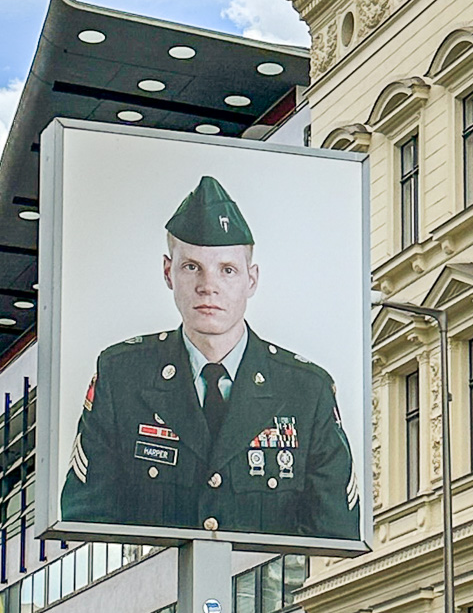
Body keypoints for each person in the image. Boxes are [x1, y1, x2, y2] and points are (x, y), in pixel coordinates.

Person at [59, 174, 360, 543]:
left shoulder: (305, 390)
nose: (208, 286)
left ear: (251, 280)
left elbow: (335, 533)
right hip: (156, 597)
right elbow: (86, 522)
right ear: (168, 272)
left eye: (227, 270)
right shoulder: (122, 376)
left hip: (268, 598)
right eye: (192, 267)